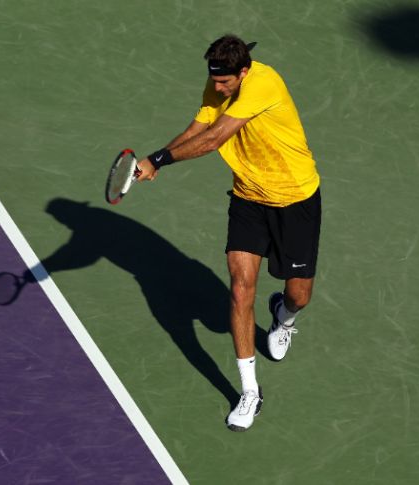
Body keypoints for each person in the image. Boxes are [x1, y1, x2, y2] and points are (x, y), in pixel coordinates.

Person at [135, 34, 321, 432]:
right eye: (214, 81)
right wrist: (153, 158)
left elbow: (216, 138)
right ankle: (249, 393)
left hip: (295, 198)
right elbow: (200, 125)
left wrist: (162, 161)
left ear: (244, 71)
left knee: (299, 294)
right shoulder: (218, 81)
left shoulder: (263, 84)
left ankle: (283, 318)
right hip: (248, 198)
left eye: (225, 83)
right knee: (239, 288)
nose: (217, 88)